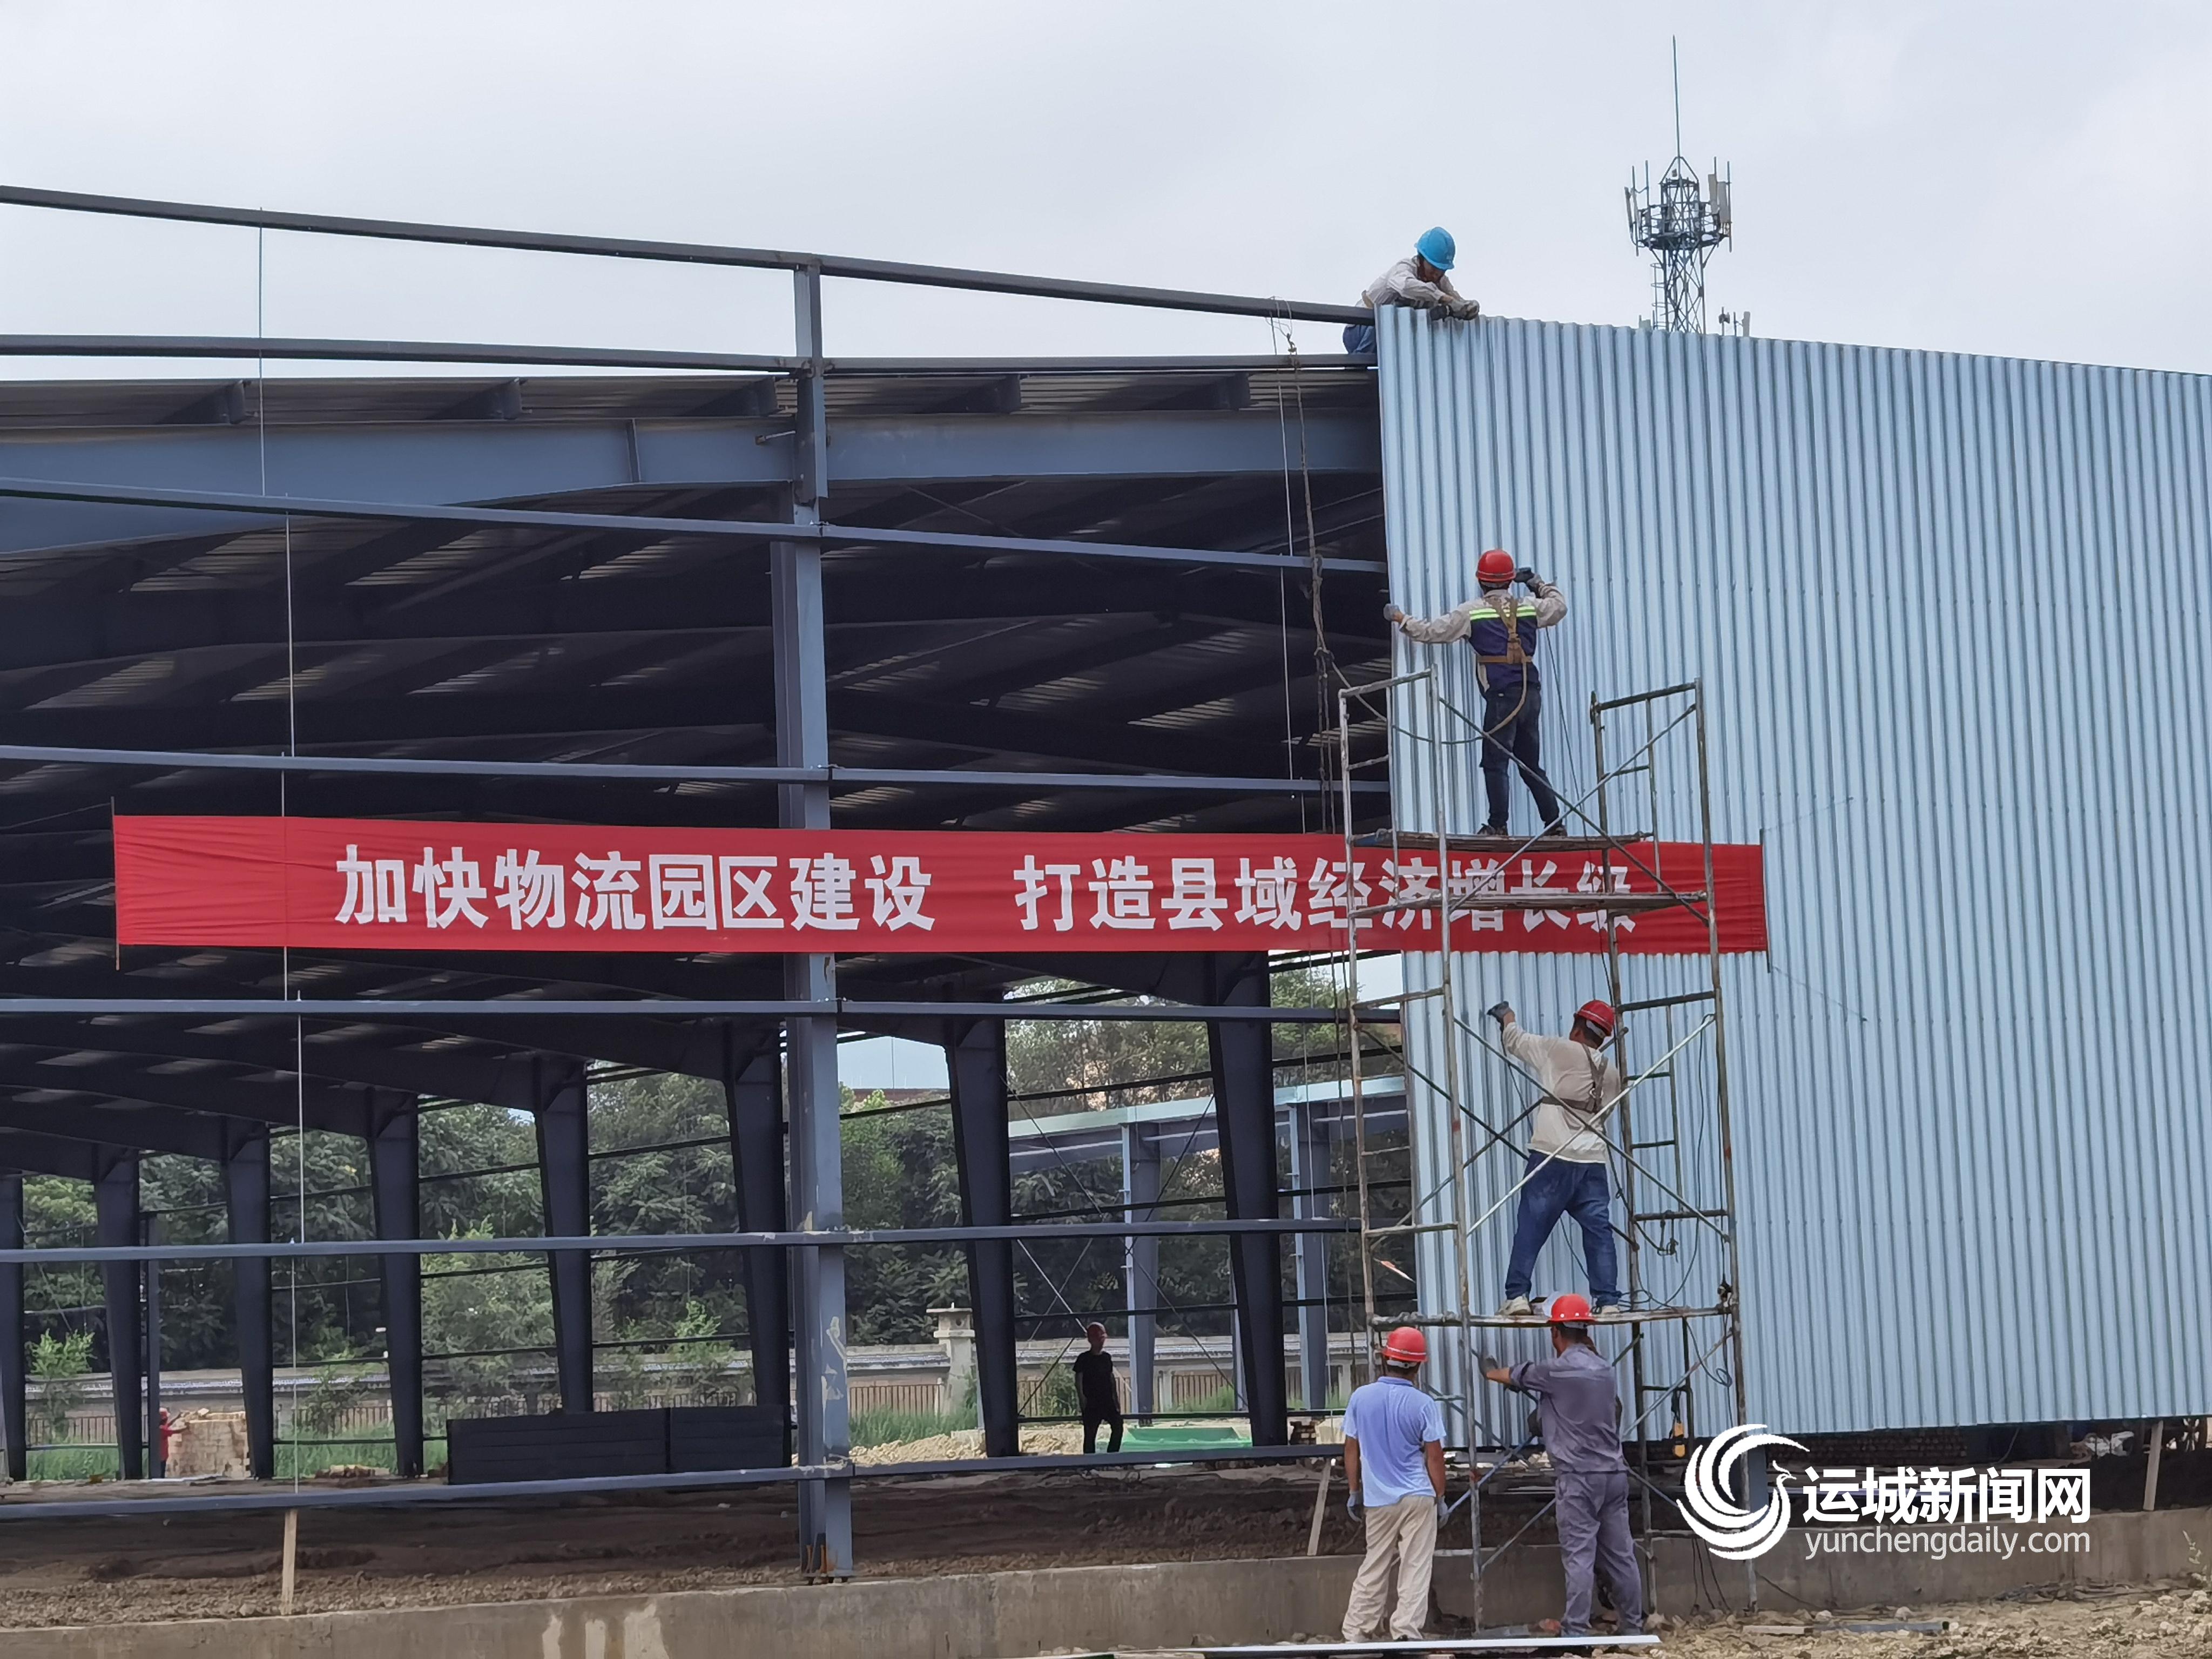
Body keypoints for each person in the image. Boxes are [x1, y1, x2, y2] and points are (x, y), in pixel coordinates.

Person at [1481, 1296, 1644, 1641]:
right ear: (1586, 1329)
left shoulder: (1555, 1371)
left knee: (1579, 1555)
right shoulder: (1604, 1369)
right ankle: (1633, 1626)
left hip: (1579, 1478)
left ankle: (1576, 1630)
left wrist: (1489, 1372)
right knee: (1621, 1555)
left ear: (1556, 1331)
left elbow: (1515, 1374)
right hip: (1614, 1474)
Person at [1386, 550, 1567, 837]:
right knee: (1530, 764)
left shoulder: (1472, 612)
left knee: (1495, 762)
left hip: (1502, 696)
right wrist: (1537, 582)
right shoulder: (1529, 607)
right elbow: (1559, 607)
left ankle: (1498, 825)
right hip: (1531, 693)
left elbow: (1433, 632)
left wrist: (1401, 618)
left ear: (1481, 581)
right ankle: (1555, 825)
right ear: (1510, 581)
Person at [1491, 998, 1626, 1319]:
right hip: (1592, 1162)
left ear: (1577, 1027)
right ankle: (1608, 1301)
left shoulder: (1559, 1050)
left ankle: (1517, 1296)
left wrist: (1507, 1017)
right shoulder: (1612, 1074)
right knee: (1598, 1231)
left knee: (1532, 1225)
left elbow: (1516, 1042)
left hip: (1553, 1156)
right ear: (1603, 1037)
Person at [1340, 1325, 1447, 1645]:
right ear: (1417, 1366)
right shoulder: (1423, 1403)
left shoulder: (1361, 1398)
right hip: (1418, 1496)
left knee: (1375, 1564)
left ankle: (1357, 1632)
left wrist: (1354, 1491)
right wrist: (1441, 1497)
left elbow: (1351, 1449)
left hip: (1378, 1500)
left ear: (1385, 1359)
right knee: (1415, 1565)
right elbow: (1435, 1457)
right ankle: (1405, 1633)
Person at [1344, 226, 1479, 353]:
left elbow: (1455, 300)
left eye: (1441, 271)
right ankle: (1358, 364)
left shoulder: (1440, 282)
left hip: (1390, 337)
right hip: (1360, 329)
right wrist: (1442, 298)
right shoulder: (1404, 269)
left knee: (1421, 324)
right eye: (1433, 269)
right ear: (1422, 259)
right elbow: (1405, 286)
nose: (1436, 275)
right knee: (1386, 318)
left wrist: (1466, 307)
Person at [1073, 1322, 1124, 1454]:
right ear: (1091, 1340)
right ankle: (1090, 1461)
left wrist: (1116, 1400)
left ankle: (1112, 1456)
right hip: (1092, 1402)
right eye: (1099, 1338)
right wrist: (1082, 1400)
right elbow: (1078, 1380)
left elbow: (1111, 1379)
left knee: (1118, 1426)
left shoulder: (1106, 1358)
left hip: (1107, 1401)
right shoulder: (1084, 1359)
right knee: (1090, 1434)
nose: (1101, 1341)